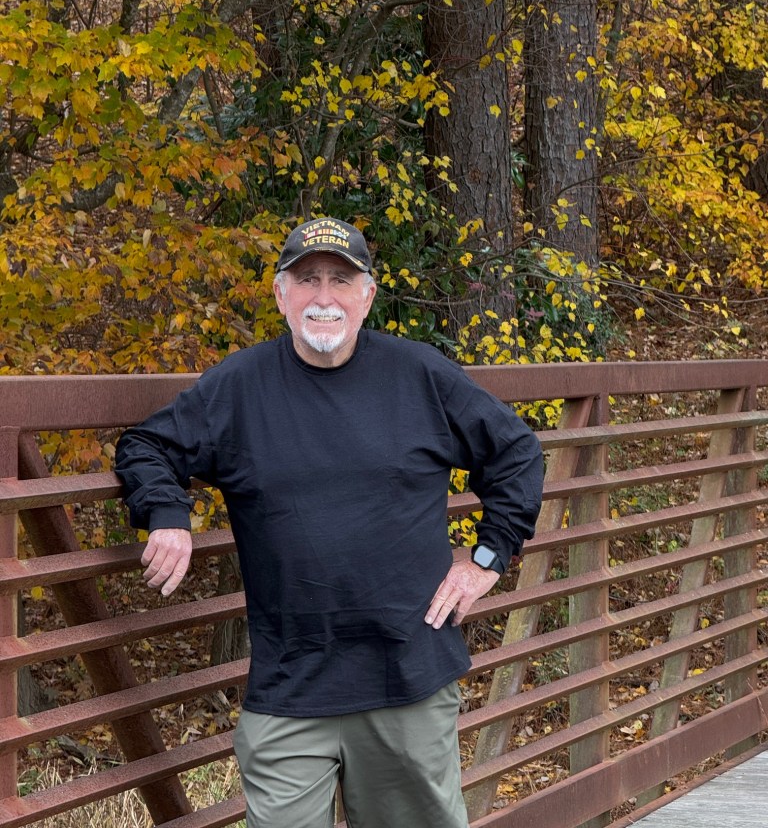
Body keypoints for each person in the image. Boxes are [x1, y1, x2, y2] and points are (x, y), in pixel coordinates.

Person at [116, 216, 544, 828]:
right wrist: (167, 514)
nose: (324, 297)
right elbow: (146, 446)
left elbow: (516, 453)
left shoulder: (417, 374)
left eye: (341, 280)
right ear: (280, 294)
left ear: (367, 296)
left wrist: (486, 559)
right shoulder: (240, 387)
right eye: (307, 279)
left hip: (407, 678)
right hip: (290, 687)